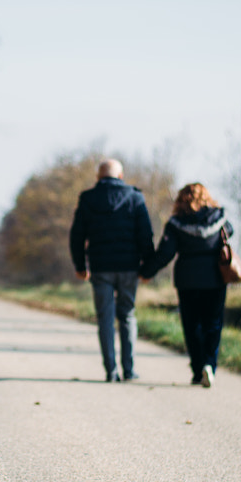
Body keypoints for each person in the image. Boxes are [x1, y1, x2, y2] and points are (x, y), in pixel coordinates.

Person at [69, 159, 155, 382]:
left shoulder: (88, 198)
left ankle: (111, 370)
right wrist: (147, 266)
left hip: (100, 268)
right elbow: (146, 235)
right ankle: (129, 369)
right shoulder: (135, 197)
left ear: (99, 177)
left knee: (105, 318)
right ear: (121, 175)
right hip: (129, 267)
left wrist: (80, 266)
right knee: (127, 315)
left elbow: (77, 236)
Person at [141, 183, 233, 388]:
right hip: (215, 278)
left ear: (181, 200)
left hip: (187, 280)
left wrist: (146, 273)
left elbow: (165, 253)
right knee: (214, 324)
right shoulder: (220, 218)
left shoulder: (176, 223)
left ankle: (197, 369)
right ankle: (209, 365)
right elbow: (230, 233)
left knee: (192, 326)